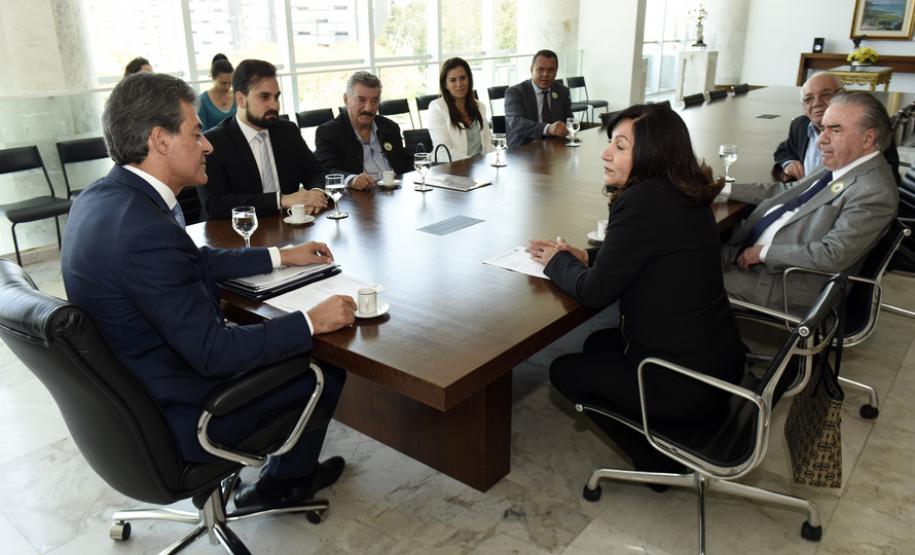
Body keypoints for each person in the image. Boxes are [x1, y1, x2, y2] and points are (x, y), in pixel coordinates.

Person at [62, 72, 356, 508]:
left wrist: (279, 256)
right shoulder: (146, 232)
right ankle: (283, 485)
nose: (208, 145)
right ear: (160, 140)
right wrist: (311, 321)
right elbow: (215, 353)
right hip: (185, 414)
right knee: (324, 366)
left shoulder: (101, 199)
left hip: (129, 400)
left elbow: (190, 261)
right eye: (196, 133)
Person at [528, 104, 746, 473]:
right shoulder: (684, 190)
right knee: (597, 343)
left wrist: (556, 261)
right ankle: (666, 425)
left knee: (564, 370)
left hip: (683, 384)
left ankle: (659, 459)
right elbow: (650, 251)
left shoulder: (641, 200)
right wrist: (587, 256)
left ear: (652, 153)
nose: (605, 153)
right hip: (719, 365)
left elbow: (594, 292)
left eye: (620, 146)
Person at [724, 91, 899, 313]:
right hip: (746, 255)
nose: (821, 141)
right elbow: (787, 192)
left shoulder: (874, 191)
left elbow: (832, 254)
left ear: (868, 138)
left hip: (781, 283)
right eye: (822, 128)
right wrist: (723, 189)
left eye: (835, 130)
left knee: (686, 281)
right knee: (688, 258)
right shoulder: (840, 161)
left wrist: (763, 252)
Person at [199, 59, 327, 220]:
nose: (274, 105)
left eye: (276, 97)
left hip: (289, 225)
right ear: (241, 99)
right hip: (237, 231)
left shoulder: (287, 131)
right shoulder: (213, 143)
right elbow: (215, 203)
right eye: (264, 97)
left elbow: (316, 172)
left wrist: (316, 192)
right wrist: (280, 200)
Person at [772, 72, 899, 182]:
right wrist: (788, 163)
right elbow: (784, 150)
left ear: (842, 96)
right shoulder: (800, 126)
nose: (816, 103)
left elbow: (887, 178)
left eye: (825, 94)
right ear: (804, 108)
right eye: (808, 99)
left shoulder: (865, 129)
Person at [314, 71, 412, 190]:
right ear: (346, 99)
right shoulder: (329, 133)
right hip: (359, 197)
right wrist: (351, 180)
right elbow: (325, 171)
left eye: (374, 101)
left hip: (396, 193)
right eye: (361, 100)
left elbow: (405, 162)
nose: (369, 108)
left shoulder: (390, 127)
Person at [427, 58, 494, 161]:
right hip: (452, 168)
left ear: (469, 79)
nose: (459, 84)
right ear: (445, 85)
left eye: (463, 78)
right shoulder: (437, 108)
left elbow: (488, 144)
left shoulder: (480, 106)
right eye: (453, 80)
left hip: (481, 167)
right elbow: (443, 151)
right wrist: (472, 164)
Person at [504, 49, 573, 149]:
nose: (545, 74)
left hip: (555, 148)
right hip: (523, 150)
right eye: (540, 69)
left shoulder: (562, 91)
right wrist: (548, 129)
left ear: (556, 72)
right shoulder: (515, 92)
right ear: (531, 69)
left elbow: (569, 121)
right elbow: (516, 122)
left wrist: (567, 129)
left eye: (551, 70)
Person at [197, 53, 237, 131]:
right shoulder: (202, 100)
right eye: (223, 83)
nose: (228, 86)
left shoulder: (237, 96)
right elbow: (201, 132)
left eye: (230, 82)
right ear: (213, 77)